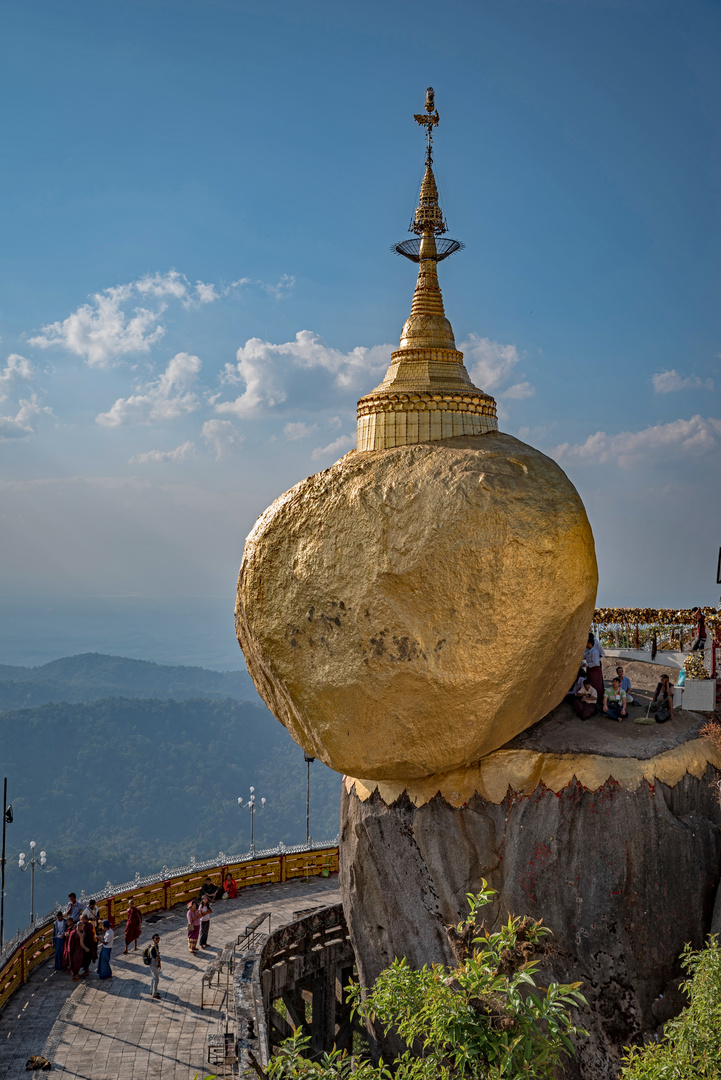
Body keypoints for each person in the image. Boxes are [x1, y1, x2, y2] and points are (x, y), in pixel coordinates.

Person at [584, 634, 604, 701]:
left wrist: (596, 658)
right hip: (590, 668)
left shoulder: (596, 649)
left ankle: (598, 698)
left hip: (595, 667)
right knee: (591, 682)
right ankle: (592, 696)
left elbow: (597, 660)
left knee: (597, 683)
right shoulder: (588, 651)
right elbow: (584, 656)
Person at [148, 934, 162, 999]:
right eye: (156, 938)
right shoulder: (153, 948)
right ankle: (154, 993)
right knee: (156, 979)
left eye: (158, 938)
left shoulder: (156, 946)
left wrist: (159, 963)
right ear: (153, 940)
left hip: (155, 964)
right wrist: (158, 959)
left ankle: (152, 991)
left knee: (153, 978)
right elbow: (153, 957)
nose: (158, 939)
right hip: (153, 964)